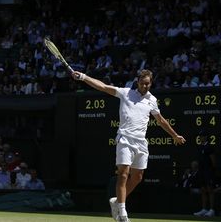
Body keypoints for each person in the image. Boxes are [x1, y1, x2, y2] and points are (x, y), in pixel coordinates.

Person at [71, 69, 186, 222]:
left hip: (141, 142)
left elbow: (161, 120)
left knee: (137, 177)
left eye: (148, 84)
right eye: (143, 83)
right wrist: (84, 77)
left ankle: (116, 201)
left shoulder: (152, 100)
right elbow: (104, 87)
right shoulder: (125, 93)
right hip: (124, 139)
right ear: (137, 81)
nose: (146, 86)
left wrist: (175, 135)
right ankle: (123, 213)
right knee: (123, 174)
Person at [193, 131, 217, 217]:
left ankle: (212, 210)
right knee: (203, 190)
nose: (200, 138)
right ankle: (204, 209)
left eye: (202, 136)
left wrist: (211, 171)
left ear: (206, 137)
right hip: (201, 172)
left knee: (210, 190)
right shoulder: (200, 147)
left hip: (208, 172)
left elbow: (213, 161)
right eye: (199, 136)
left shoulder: (209, 147)